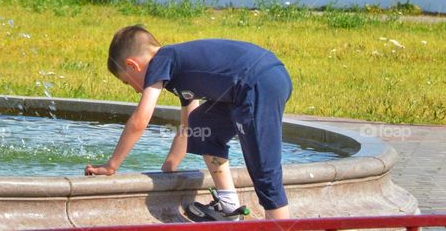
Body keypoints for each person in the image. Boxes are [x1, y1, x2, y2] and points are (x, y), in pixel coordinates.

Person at [84, 25, 293, 221]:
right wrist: (170, 166)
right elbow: (188, 126)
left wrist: (111, 166)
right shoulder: (178, 72)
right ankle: (228, 205)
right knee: (202, 124)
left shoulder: (161, 61)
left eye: (127, 82)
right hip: (254, 83)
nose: (135, 89)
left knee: (264, 171)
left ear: (133, 65)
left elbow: (140, 119)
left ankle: (279, 224)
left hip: (257, 83)